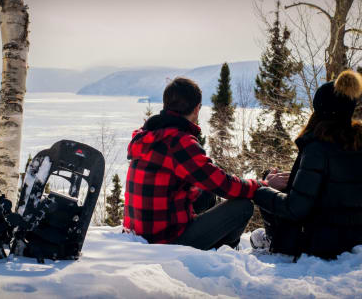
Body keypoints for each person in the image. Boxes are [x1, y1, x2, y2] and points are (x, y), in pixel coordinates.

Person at [123, 77, 288, 250]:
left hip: (139, 233)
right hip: (165, 241)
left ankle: (217, 246)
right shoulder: (179, 142)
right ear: (196, 109)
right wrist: (265, 184)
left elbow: (207, 182)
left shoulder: (149, 134)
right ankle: (225, 253)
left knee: (206, 194)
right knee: (242, 207)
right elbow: (224, 184)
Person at [251, 69, 362, 260]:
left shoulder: (317, 148)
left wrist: (261, 188)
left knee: (269, 178)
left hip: (319, 241)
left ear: (320, 108)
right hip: (354, 235)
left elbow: (296, 208)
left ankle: (273, 240)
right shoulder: (357, 142)